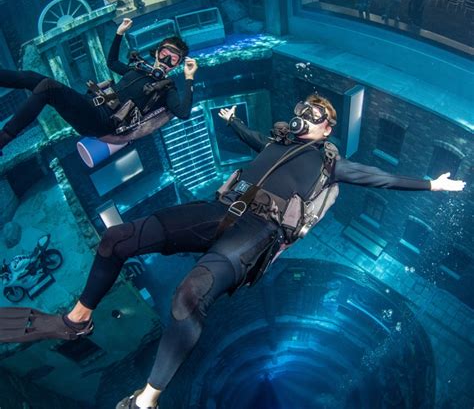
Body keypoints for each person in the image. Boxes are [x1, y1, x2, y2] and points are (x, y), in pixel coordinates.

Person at [0, 95, 465, 409]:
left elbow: (380, 178)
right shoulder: (279, 143)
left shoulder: (330, 163)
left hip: (257, 233)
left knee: (188, 297)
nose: (304, 115)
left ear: (327, 127)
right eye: (302, 109)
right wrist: (231, 122)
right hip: (219, 209)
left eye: (315, 114)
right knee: (116, 240)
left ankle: (145, 400)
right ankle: (77, 319)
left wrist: (431, 184)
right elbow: (252, 141)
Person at [0, 18, 198, 156]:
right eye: (164, 54)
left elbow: (183, 113)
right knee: (32, 77)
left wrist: (189, 78)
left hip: (102, 121)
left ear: (177, 65)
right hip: (88, 104)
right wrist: (119, 33)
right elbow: (112, 63)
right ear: (157, 52)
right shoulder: (138, 69)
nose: (166, 61)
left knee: (47, 86)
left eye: (173, 60)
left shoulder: (166, 90)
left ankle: (3, 139)